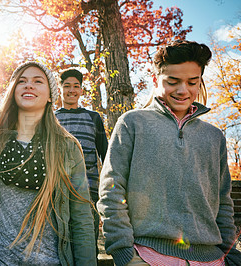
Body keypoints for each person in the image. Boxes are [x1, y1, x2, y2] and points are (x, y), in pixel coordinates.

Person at [97, 40, 241, 266]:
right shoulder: (132, 123)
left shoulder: (215, 137)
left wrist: (230, 255)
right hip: (146, 255)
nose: (183, 90)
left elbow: (223, 202)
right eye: (173, 81)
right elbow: (111, 189)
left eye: (192, 82)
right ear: (156, 80)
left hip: (212, 259)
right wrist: (125, 254)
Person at [0, 61, 96, 265]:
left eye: (38, 81)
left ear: (51, 94)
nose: (29, 85)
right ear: (14, 91)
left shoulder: (67, 147)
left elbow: (81, 219)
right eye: (22, 81)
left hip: (50, 261)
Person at [55, 68, 108, 254]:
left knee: (86, 244)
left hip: (89, 191)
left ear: (81, 90)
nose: (71, 90)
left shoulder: (93, 118)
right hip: (57, 191)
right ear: (60, 88)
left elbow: (105, 154)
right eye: (67, 86)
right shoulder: (51, 118)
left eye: (76, 86)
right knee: (59, 244)